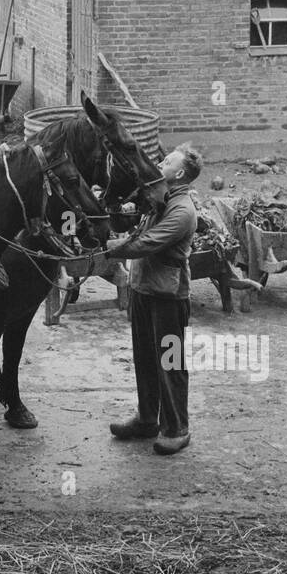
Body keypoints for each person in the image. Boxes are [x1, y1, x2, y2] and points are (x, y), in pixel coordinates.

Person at [105, 145, 204, 456]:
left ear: (180, 173)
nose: (161, 162)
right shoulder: (161, 198)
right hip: (144, 290)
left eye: (167, 160)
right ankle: (148, 419)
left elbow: (149, 242)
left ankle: (177, 428)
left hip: (169, 297)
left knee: (170, 364)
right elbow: (137, 223)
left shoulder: (183, 210)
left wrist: (109, 247)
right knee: (145, 359)